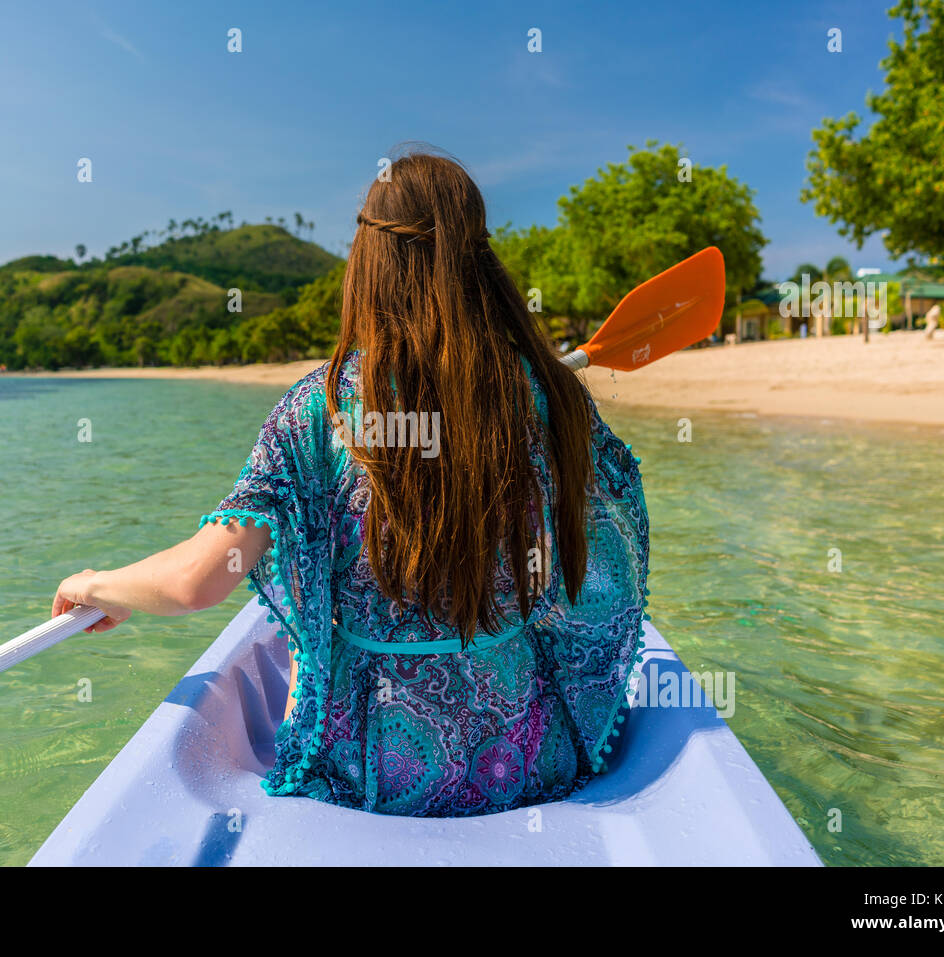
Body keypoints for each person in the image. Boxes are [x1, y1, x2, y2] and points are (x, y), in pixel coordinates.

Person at [52, 150, 650, 817]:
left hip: (378, 770)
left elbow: (199, 579)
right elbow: (607, 547)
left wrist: (99, 585)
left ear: (369, 262)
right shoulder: (553, 395)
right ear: (479, 258)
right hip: (528, 756)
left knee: (308, 671)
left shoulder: (322, 409)